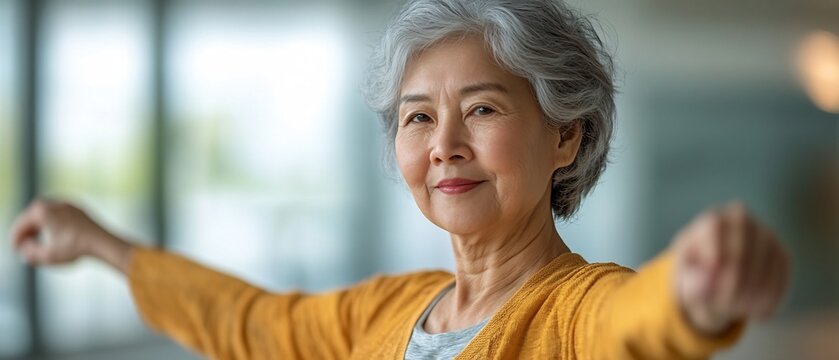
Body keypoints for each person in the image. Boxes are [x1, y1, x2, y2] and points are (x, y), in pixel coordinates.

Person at [9, 0, 790, 359]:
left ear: (565, 135)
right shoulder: (383, 310)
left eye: (480, 108)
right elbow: (248, 322)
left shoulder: (575, 312)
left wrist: (690, 292)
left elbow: (633, 322)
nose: (444, 145)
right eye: (418, 118)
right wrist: (104, 246)